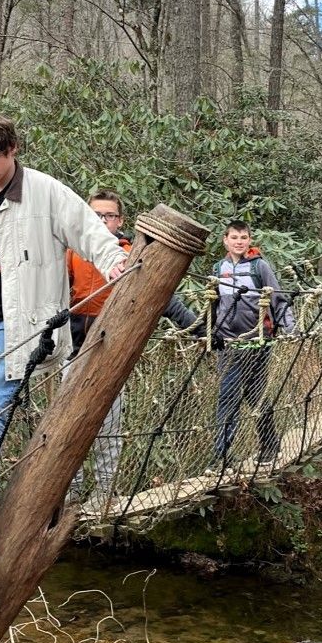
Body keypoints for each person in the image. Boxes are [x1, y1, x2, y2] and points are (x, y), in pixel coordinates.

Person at [0, 111, 127, 552]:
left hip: (19, 322)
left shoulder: (46, 192)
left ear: (12, 150)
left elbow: (89, 231)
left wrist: (116, 263)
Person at [66, 189, 199, 505]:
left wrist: (198, 329)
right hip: (71, 350)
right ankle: (69, 492)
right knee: (65, 424)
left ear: (119, 220)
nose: (101, 220)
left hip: (112, 351)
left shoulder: (132, 254)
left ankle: (103, 494)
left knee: (107, 426)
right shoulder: (70, 251)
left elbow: (162, 296)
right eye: (95, 214)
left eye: (108, 215)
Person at [211, 220, 295, 473]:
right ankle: (222, 457)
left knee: (254, 394)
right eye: (234, 237)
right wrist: (210, 333)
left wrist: (290, 327)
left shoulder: (260, 266)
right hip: (229, 342)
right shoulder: (219, 268)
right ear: (225, 240)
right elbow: (215, 305)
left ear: (249, 240)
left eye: (243, 237)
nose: (239, 241)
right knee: (229, 395)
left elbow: (278, 297)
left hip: (258, 340)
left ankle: (267, 446)